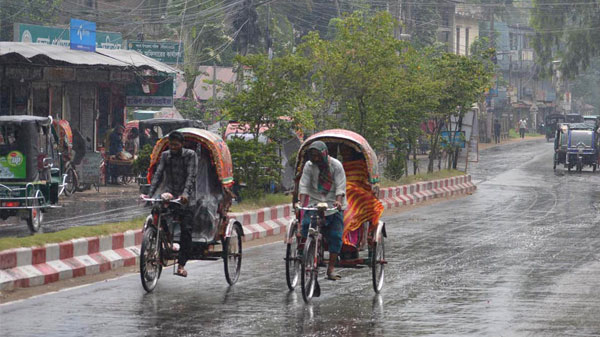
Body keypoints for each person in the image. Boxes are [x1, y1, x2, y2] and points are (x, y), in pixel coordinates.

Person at [142, 131, 197, 277]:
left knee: (186, 229)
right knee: (157, 212)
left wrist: (185, 194)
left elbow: (191, 176)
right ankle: (163, 243)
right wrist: (150, 193)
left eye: (176, 144)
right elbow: (158, 174)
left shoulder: (190, 155)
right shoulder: (166, 155)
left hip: (187, 197)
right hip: (170, 193)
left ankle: (181, 265)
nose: (173, 147)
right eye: (171, 144)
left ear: (182, 144)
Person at [298, 141, 347, 281]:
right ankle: (306, 252)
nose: (316, 158)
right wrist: (301, 202)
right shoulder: (309, 166)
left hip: (333, 204)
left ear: (324, 154)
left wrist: (338, 201)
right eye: (312, 155)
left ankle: (330, 269)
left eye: (318, 155)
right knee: (307, 226)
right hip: (315, 201)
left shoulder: (336, 166)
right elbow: (304, 185)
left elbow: (340, 186)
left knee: (336, 237)